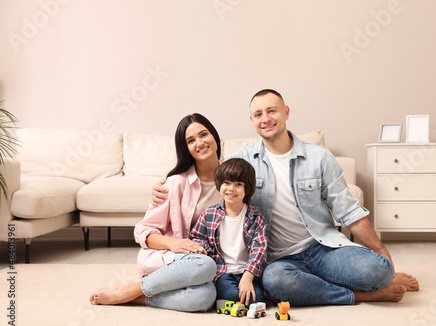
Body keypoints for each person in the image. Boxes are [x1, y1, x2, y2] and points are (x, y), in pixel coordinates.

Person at [152, 89, 419, 306]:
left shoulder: (319, 157)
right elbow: (214, 175)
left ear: (286, 112)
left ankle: (335, 282)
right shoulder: (244, 160)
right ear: (252, 121)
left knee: (379, 271)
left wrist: (382, 254)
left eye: (271, 111)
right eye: (258, 114)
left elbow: (348, 211)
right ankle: (360, 295)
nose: (265, 118)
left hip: (322, 248)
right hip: (278, 260)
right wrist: (168, 183)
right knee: (276, 283)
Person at [89, 113, 224, 312]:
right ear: (185, 148)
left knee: (205, 298)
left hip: (210, 261)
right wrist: (176, 244)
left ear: (214, 136)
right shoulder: (175, 183)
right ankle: (131, 290)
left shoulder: (234, 178)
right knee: (205, 265)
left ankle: (138, 297)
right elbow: (143, 231)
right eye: (191, 140)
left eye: (204, 134)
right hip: (173, 258)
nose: (200, 143)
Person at [190, 158, 268, 306]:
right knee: (232, 296)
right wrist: (202, 249)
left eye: (238, 184)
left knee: (255, 299)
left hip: (248, 273)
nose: (231, 189)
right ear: (219, 185)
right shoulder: (209, 214)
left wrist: (248, 276)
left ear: (247, 188)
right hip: (222, 273)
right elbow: (196, 237)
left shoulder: (256, 218)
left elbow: (260, 250)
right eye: (226, 183)